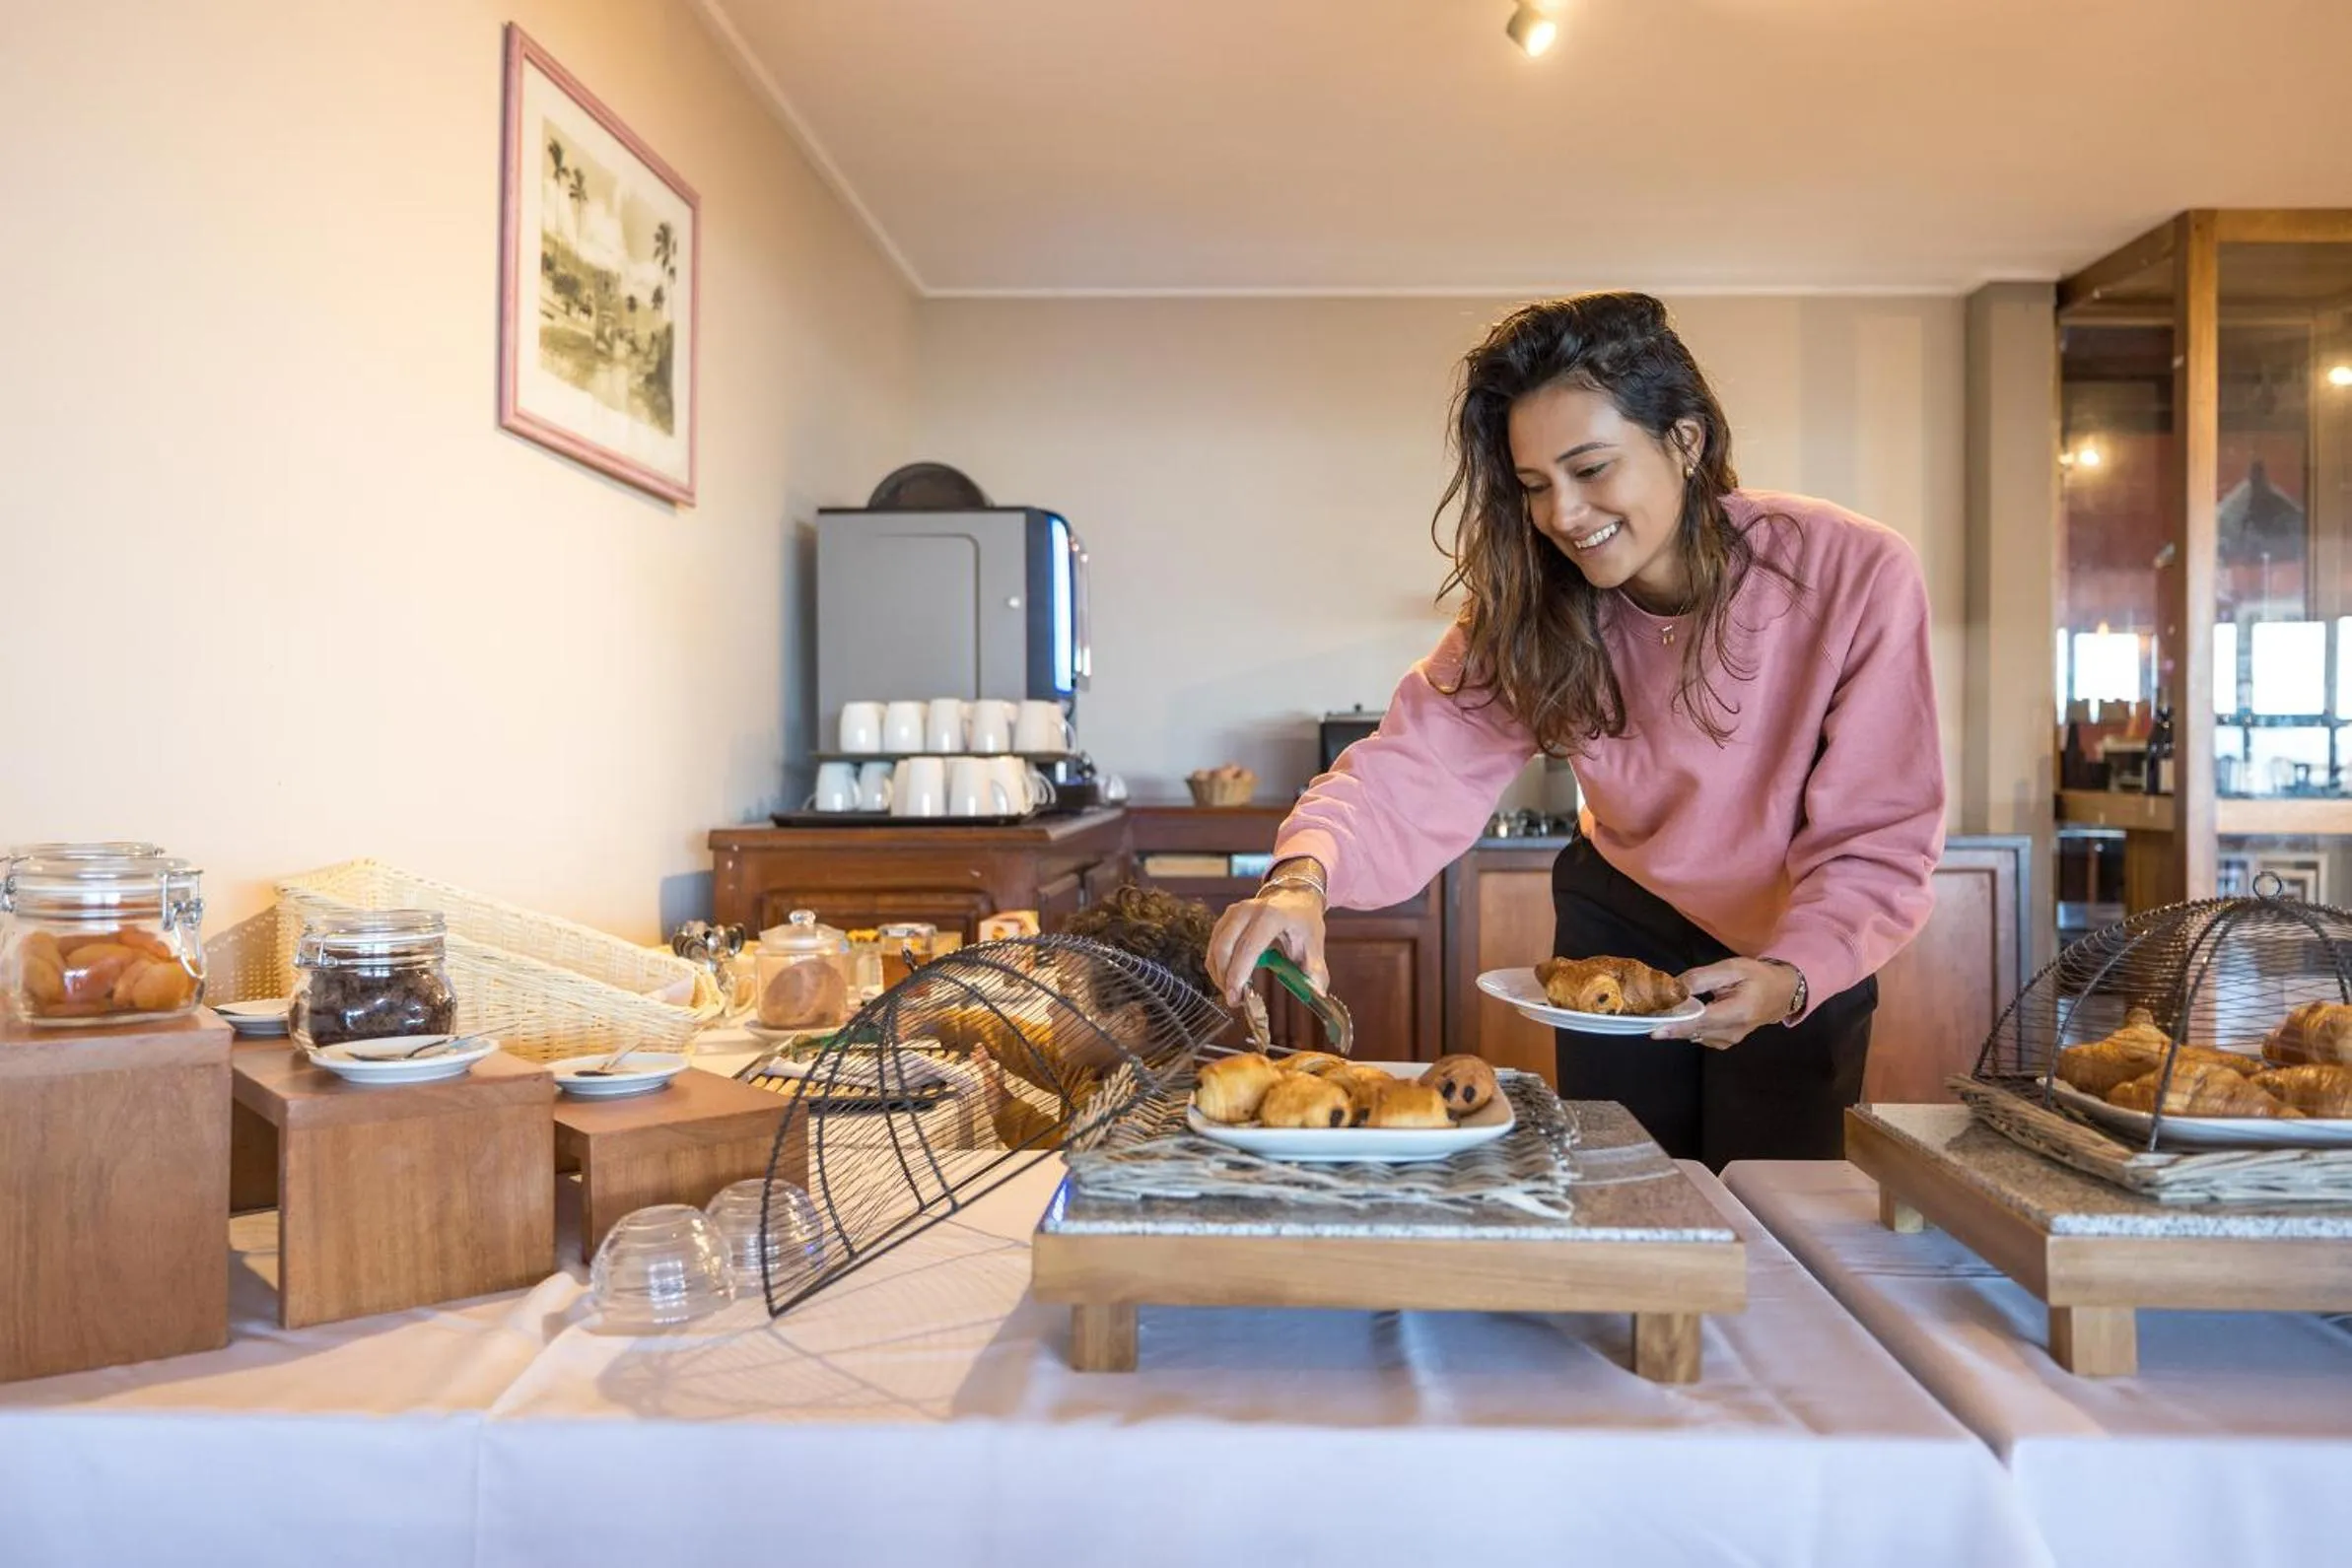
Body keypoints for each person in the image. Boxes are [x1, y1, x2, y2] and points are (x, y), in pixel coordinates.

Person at [1207, 293, 1945, 1168]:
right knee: (1616, 1181)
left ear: (1685, 438)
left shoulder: (1853, 572)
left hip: (1802, 933)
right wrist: (1303, 876)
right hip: (1620, 920)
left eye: (1591, 468)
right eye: (1533, 486)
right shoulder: (1535, 607)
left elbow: (1881, 829)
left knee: (1775, 1204)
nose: (1561, 514)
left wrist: (1796, 975)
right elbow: (1416, 764)